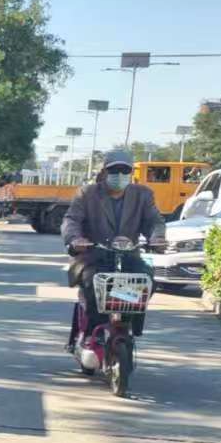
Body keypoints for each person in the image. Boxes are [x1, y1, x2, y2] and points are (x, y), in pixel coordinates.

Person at [62, 149, 164, 348]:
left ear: (131, 173)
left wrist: (157, 238)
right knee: (92, 283)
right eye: (114, 170)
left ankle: (128, 322)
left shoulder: (143, 195)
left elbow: (154, 221)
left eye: (125, 171)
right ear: (104, 172)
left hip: (129, 258)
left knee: (147, 280)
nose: (119, 175)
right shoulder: (88, 193)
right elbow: (71, 219)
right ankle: (94, 331)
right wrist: (75, 239)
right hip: (93, 256)